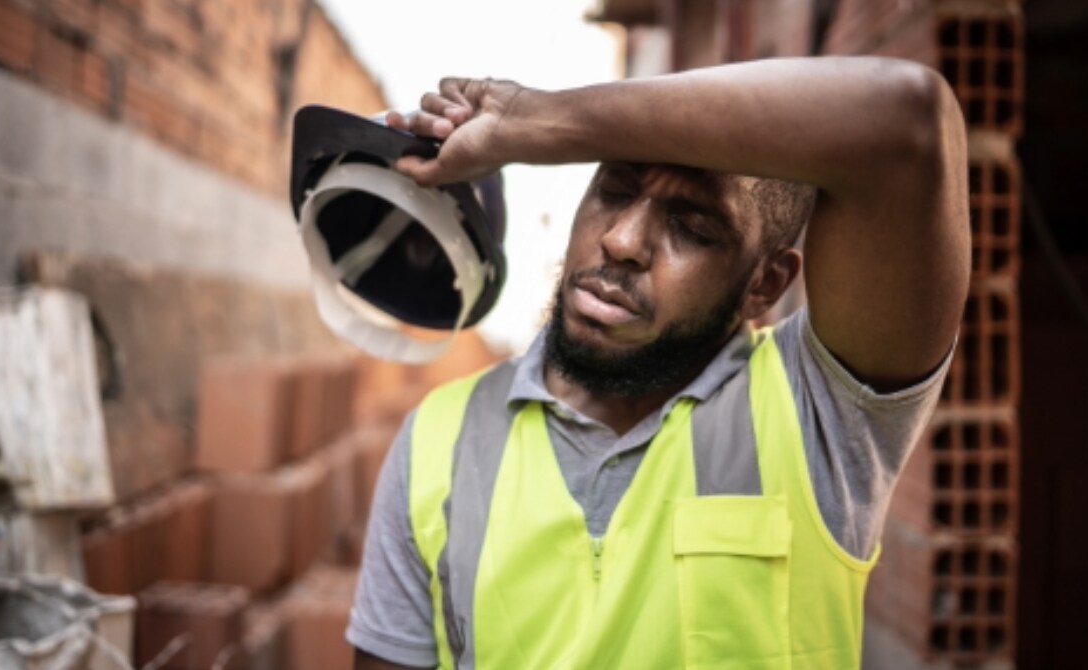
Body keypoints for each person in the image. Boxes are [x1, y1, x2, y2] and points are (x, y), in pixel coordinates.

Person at [348, 56, 969, 670]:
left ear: (765, 284)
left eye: (692, 228)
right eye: (614, 191)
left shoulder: (819, 414)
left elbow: (906, 121)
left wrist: (534, 119)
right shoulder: (437, 438)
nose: (621, 241)